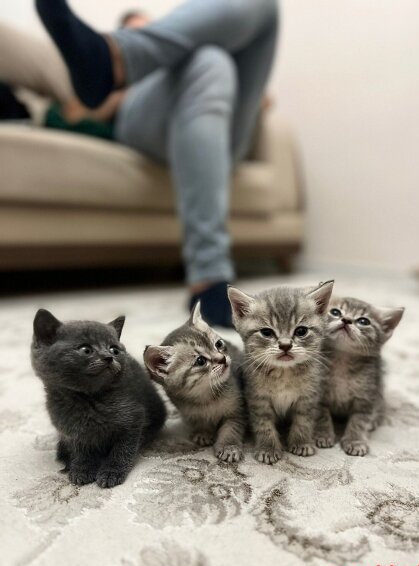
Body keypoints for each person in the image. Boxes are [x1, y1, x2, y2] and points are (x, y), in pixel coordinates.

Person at [33, 0, 279, 327]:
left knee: (261, 10)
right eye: (139, 34)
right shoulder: (118, 92)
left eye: (155, 36)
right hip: (146, 126)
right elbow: (70, 115)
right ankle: (209, 277)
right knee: (210, 60)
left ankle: (116, 58)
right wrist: (128, 88)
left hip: (218, 134)